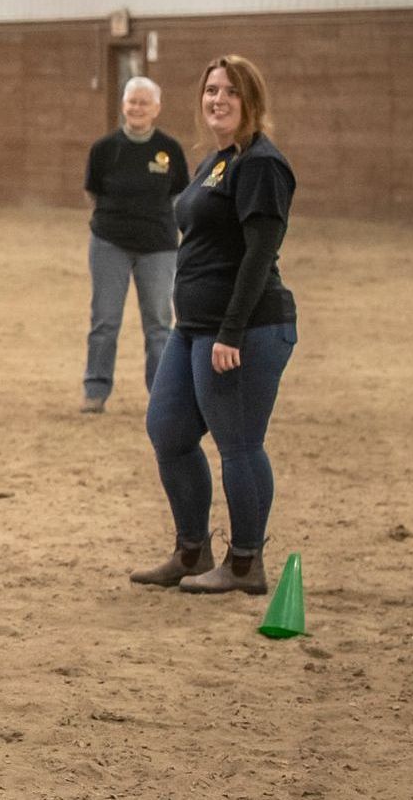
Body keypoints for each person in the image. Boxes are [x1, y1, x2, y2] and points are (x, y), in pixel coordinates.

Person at [131, 55, 297, 595]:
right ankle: (192, 551)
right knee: (169, 431)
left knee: (239, 445)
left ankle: (246, 563)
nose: (217, 99)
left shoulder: (263, 165)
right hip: (193, 326)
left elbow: (259, 256)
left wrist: (230, 332)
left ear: (251, 100)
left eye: (230, 91)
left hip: (243, 331)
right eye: (210, 90)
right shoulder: (218, 161)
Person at [81, 77, 188, 413]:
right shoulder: (104, 148)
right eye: (132, 102)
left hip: (158, 245)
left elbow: (180, 194)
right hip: (109, 243)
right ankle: (95, 389)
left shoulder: (170, 150)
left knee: (158, 323)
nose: (137, 108)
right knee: (105, 320)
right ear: (123, 105)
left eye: (145, 102)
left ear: (156, 108)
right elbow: (93, 192)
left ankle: (162, 394)